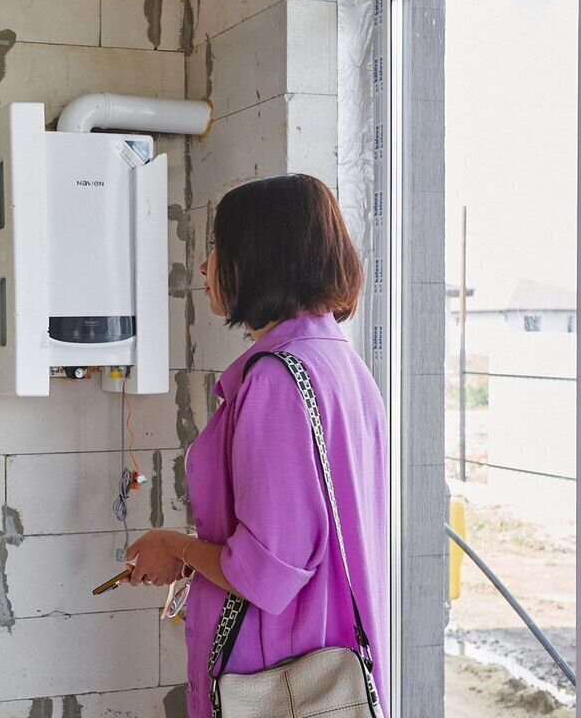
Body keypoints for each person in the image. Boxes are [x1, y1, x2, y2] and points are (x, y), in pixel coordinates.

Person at [125, 174, 389, 716]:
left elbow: (263, 574)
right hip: (328, 660)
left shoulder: (277, 381)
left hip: (280, 675)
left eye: (219, 248)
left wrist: (174, 546)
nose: (206, 267)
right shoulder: (343, 364)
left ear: (261, 257)